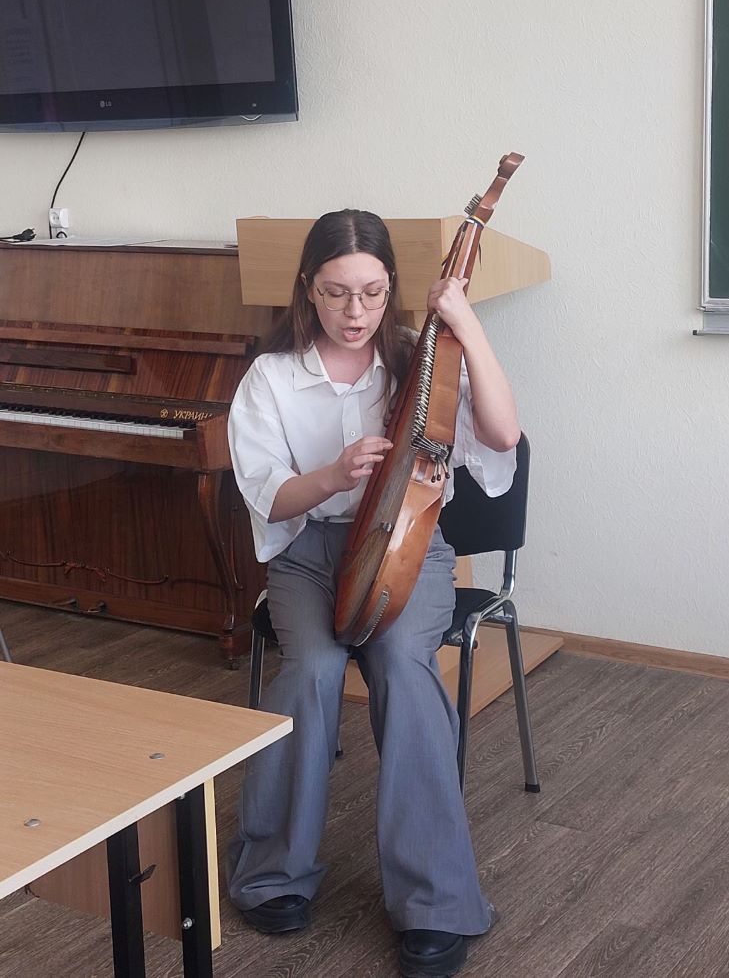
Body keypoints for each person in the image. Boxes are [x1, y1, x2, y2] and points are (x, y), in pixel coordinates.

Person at [227, 208, 520, 978]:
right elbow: (269, 496)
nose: (354, 311)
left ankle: (436, 903)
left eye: (372, 292)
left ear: (392, 288)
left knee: (403, 667)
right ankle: (272, 873)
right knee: (312, 671)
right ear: (307, 288)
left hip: (410, 549)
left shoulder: (421, 362)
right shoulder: (271, 377)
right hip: (309, 554)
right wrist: (333, 475)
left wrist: (464, 321)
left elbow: (501, 434)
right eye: (335, 292)